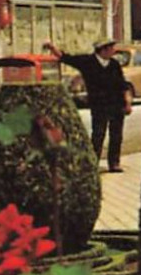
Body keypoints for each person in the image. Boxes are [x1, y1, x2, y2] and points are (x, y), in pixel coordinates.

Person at [45, 37, 130, 173]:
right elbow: (66, 58)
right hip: (99, 105)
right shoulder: (88, 62)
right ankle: (93, 162)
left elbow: (122, 83)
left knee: (116, 135)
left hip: (116, 104)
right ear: (103, 50)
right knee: (98, 134)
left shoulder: (114, 64)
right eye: (111, 48)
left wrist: (127, 101)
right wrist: (51, 47)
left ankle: (114, 163)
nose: (114, 51)